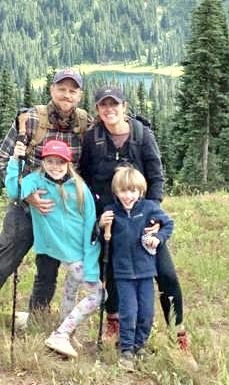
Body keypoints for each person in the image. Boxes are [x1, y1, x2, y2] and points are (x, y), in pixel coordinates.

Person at [0, 68, 91, 325]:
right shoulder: (31, 119)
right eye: (61, 88)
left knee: (48, 269)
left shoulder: (85, 125)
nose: (66, 95)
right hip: (24, 208)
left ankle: (37, 317)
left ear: (79, 95)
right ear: (52, 90)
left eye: (72, 90)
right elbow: (3, 159)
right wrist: (28, 195)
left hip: (57, 214)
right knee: (3, 264)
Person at [78, 85, 191, 355]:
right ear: (97, 110)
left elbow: (156, 177)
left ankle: (178, 330)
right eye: (103, 105)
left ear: (124, 107)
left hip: (142, 217)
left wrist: (152, 215)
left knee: (166, 274)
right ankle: (114, 319)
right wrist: (96, 215)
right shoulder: (92, 138)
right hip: (110, 219)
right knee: (113, 272)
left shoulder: (142, 135)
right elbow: (84, 177)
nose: (109, 110)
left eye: (114, 104)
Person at [7, 138, 101, 358]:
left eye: (61, 162)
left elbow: (91, 225)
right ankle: (61, 334)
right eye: (50, 161)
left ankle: (67, 332)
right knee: (98, 295)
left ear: (68, 163)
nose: (55, 166)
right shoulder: (34, 181)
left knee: (71, 290)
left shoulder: (79, 186)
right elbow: (14, 190)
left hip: (81, 252)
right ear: (43, 162)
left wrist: (91, 261)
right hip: (63, 251)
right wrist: (15, 160)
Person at [98, 166, 174, 369]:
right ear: (116, 192)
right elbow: (100, 239)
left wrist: (158, 238)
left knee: (147, 312)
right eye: (123, 191)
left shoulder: (149, 208)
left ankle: (140, 344)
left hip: (146, 271)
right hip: (123, 273)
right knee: (128, 311)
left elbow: (168, 224)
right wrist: (101, 224)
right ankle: (126, 349)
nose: (128, 196)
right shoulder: (110, 211)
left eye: (133, 191)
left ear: (141, 191)